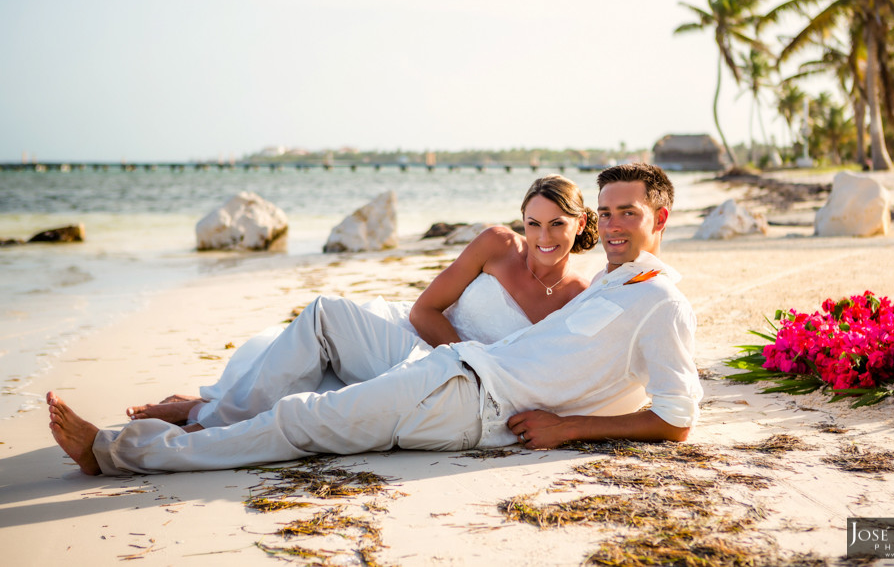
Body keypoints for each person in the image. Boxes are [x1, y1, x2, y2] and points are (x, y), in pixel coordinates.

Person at [48, 163, 702, 475]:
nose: (615, 225)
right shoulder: (615, 283)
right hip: (456, 372)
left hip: (475, 402)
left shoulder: (660, 301)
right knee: (308, 403)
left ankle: (115, 451)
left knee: (301, 418)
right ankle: (176, 423)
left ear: (660, 219)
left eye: (629, 213)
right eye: (609, 212)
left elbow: (677, 418)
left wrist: (568, 427)